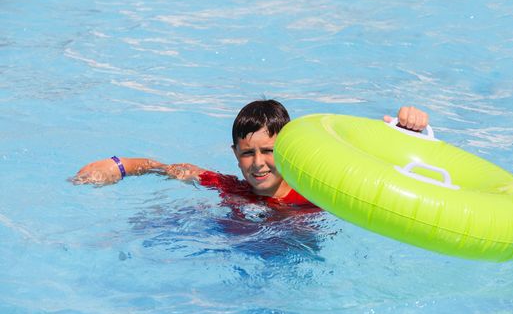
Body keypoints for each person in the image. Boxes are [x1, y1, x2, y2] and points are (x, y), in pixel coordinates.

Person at [72, 100, 429, 210]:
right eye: (247, 153)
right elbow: (162, 168)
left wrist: (411, 132)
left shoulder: (317, 195)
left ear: (289, 148)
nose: (258, 163)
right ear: (235, 154)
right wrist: (117, 166)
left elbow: (388, 177)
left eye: (269, 151)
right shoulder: (230, 188)